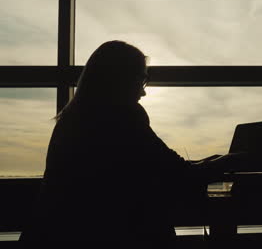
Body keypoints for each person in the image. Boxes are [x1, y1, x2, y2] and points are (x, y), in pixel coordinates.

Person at [19, 40, 247, 245]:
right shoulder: (122, 116)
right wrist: (227, 162)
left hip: (54, 233)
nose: (144, 92)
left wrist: (210, 162)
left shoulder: (73, 117)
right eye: (142, 78)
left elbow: (157, 164)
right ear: (122, 78)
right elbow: (175, 172)